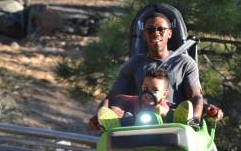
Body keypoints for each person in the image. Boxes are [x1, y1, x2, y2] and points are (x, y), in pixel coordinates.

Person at [89, 11, 223, 130]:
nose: (156, 33)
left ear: (169, 33)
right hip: (140, 121)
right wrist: (100, 114)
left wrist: (200, 114)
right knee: (114, 108)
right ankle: (111, 124)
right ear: (144, 35)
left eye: (161, 29)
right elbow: (113, 96)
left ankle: (185, 122)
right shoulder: (134, 64)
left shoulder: (185, 63)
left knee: (184, 108)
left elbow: (195, 96)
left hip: (172, 120)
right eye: (150, 30)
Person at [97, 66, 195, 129]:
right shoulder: (134, 100)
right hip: (134, 133)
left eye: (155, 90)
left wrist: (165, 113)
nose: (148, 92)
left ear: (164, 94)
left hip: (162, 137)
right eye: (145, 88)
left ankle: (181, 121)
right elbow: (118, 100)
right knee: (127, 117)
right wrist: (116, 111)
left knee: (171, 114)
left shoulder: (166, 106)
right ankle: (112, 124)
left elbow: (167, 110)